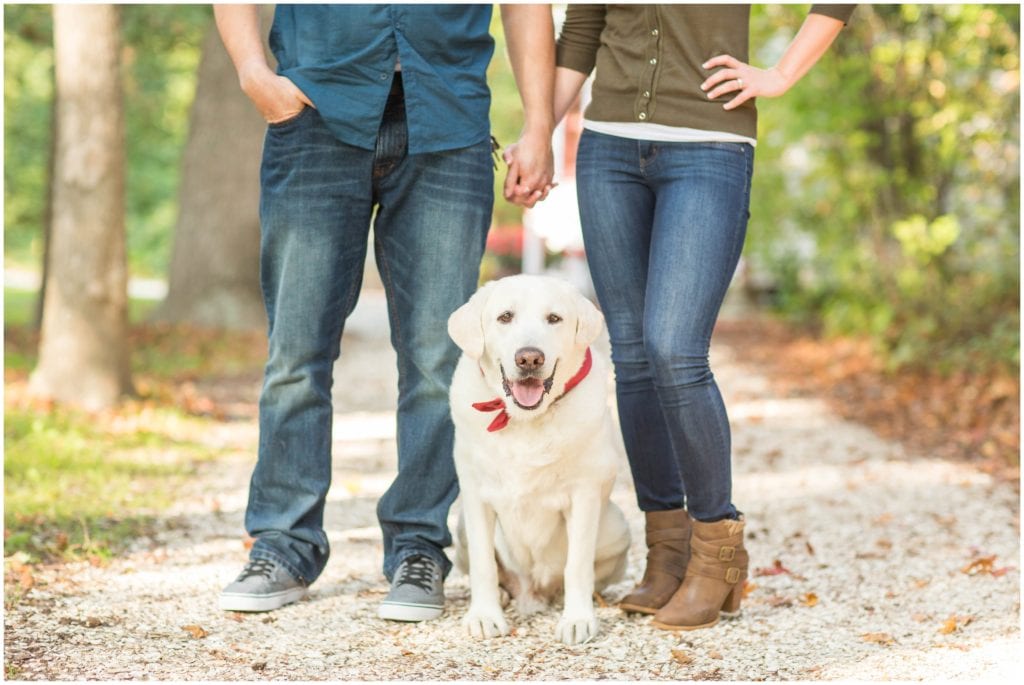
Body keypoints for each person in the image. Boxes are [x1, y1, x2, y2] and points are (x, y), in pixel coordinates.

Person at [214, 4, 555, 622]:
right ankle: (283, 544)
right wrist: (252, 73)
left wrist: (538, 125)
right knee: (296, 353)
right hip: (314, 116)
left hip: (447, 124)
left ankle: (418, 547)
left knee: (438, 361)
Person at [526, 4, 856, 631]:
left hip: (710, 149)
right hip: (608, 154)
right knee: (633, 357)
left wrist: (780, 74)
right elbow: (584, 31)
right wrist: (540, 130)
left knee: (675, 349)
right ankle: (668, 552)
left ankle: (717, 556)